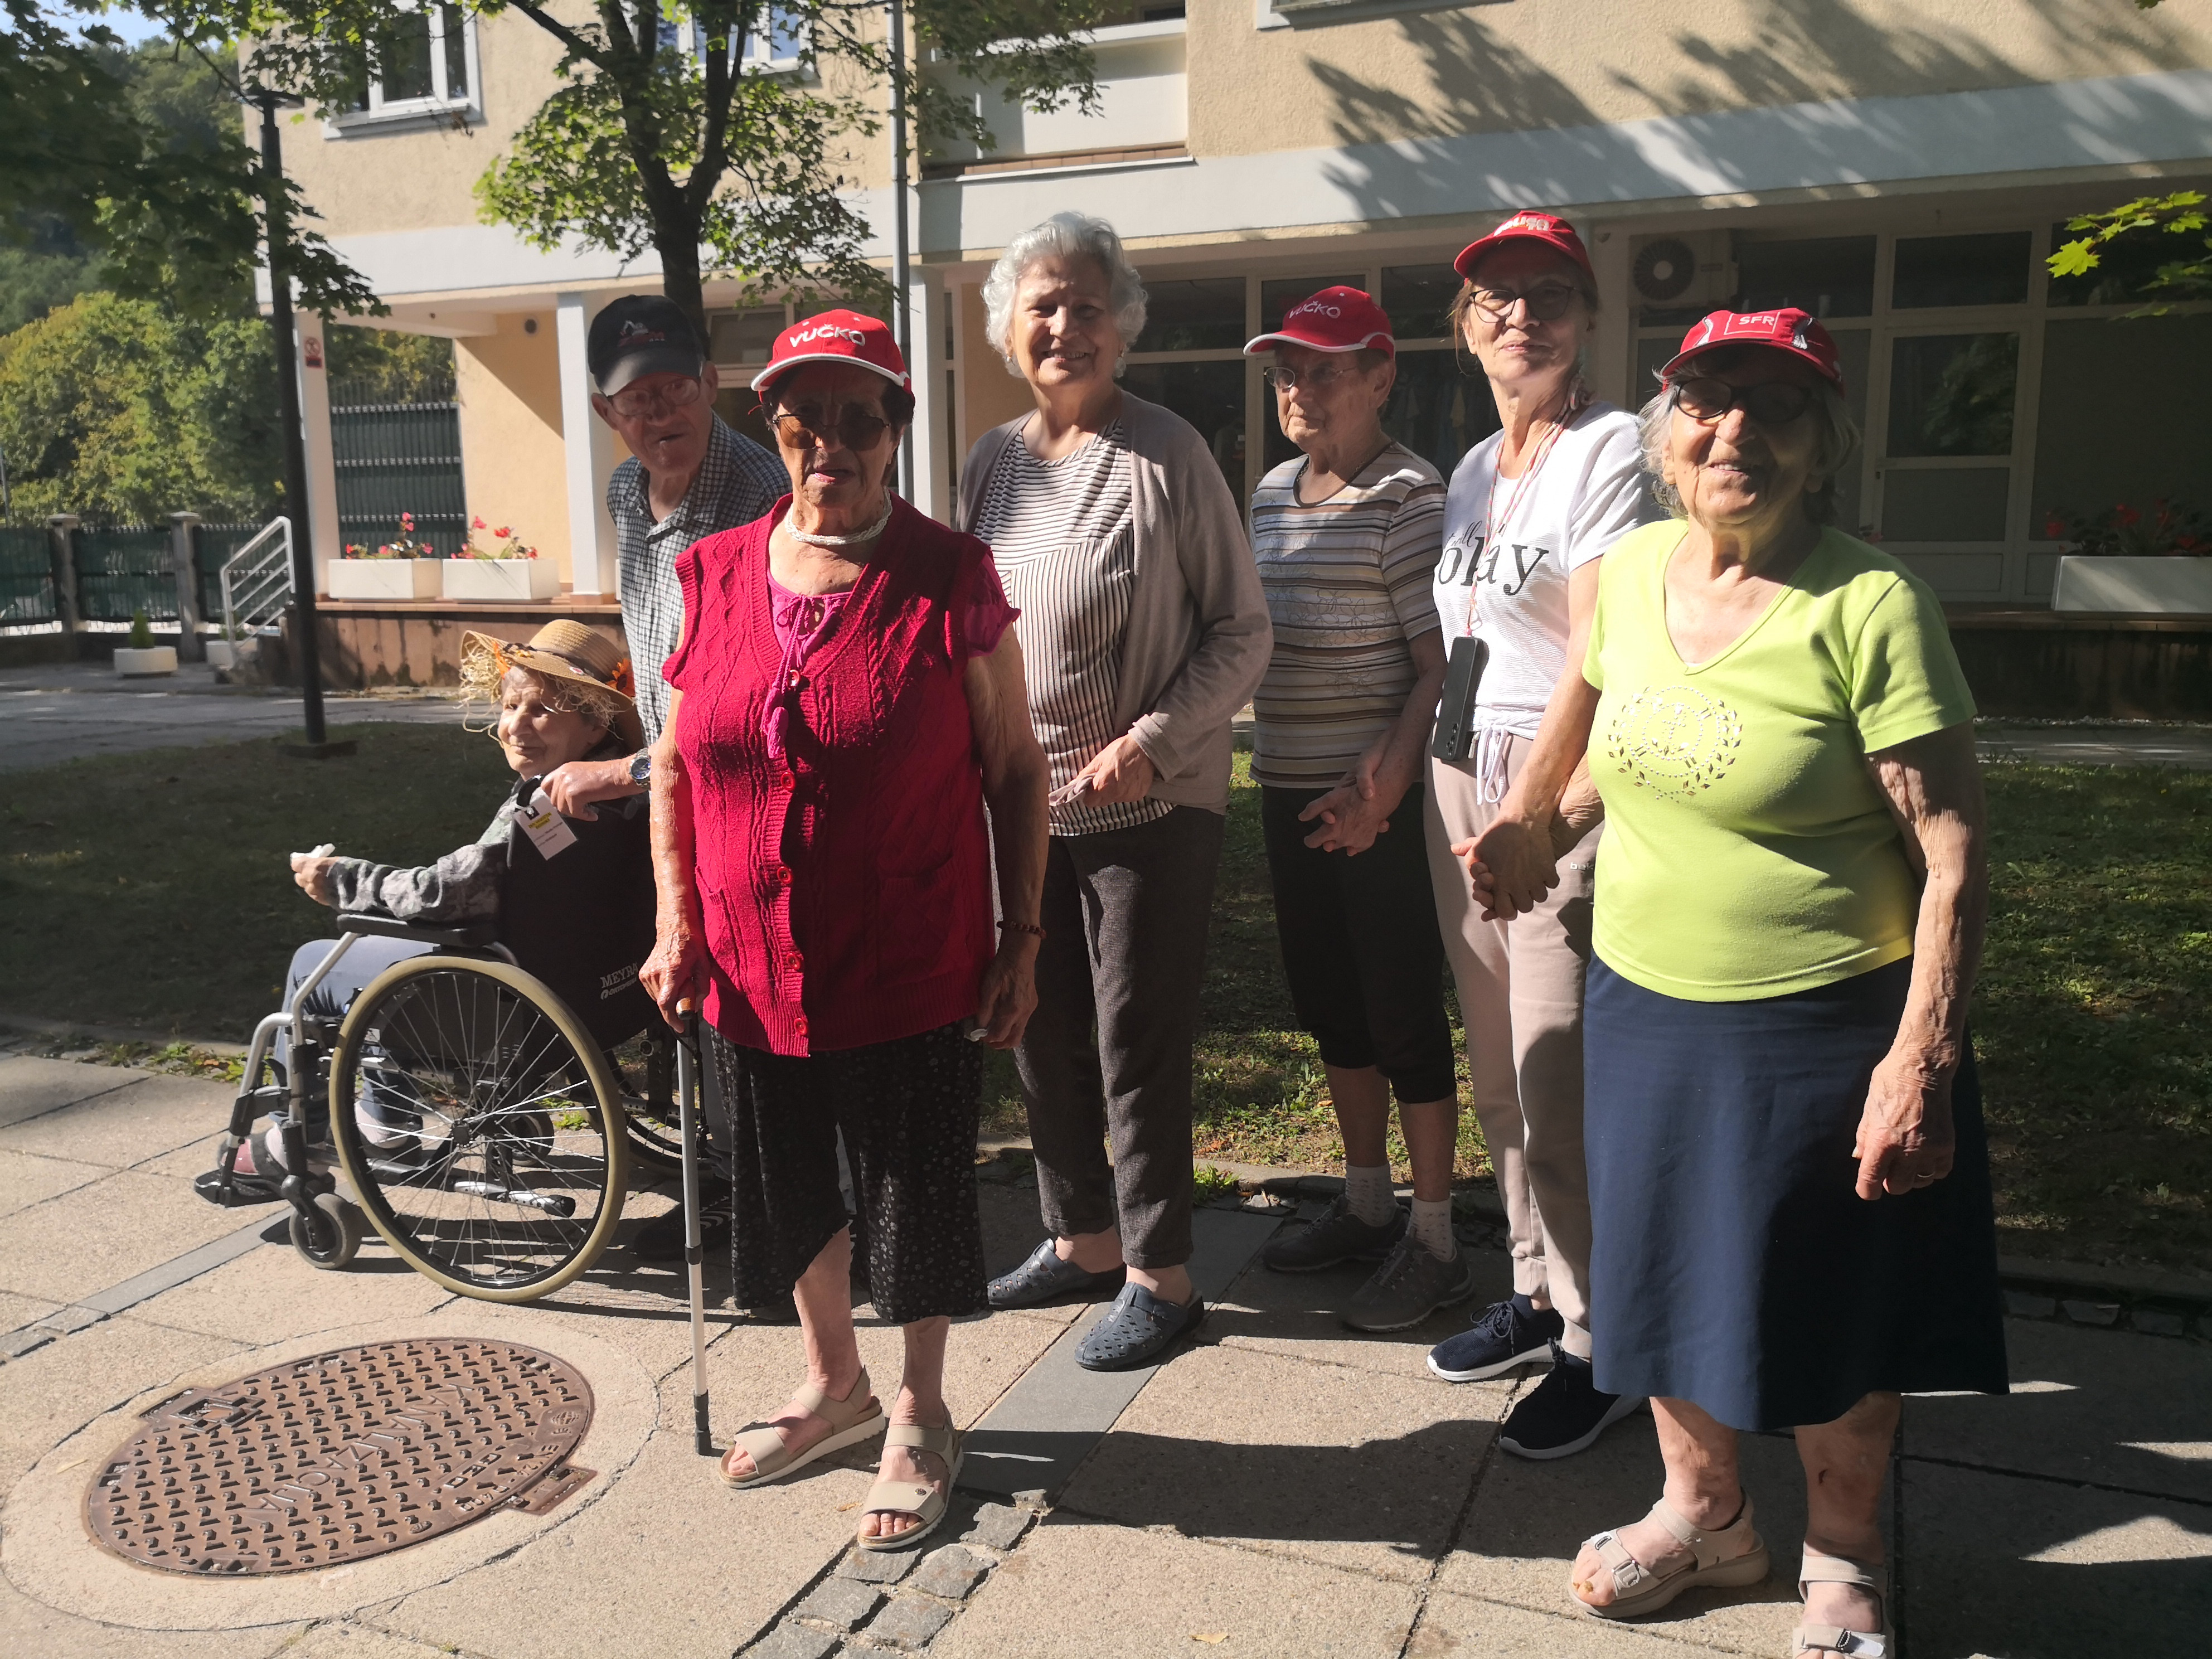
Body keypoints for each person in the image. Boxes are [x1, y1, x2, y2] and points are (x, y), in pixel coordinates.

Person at [1552, 309, 2004, 1658]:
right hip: (1642, 1005)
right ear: (1664, 433)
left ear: (1822, 445)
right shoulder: (1631, 570)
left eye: (1775, 406)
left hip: (1821, 1020)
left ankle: (1841, 1557)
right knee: (1655, 1279)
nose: (1733, 430)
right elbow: (1619, 739)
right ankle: (1704, 1518)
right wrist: (1535, 826)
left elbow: (1950, 854)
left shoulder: (1871, 606)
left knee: (1830, 1302)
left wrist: (1917, 1060)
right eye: (1704, 400)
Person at [639, 310, 1051, 1551]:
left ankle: (920, 1409)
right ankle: (834, 1385)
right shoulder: (712, 570)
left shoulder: (949, 576)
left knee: (910, 1186)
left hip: (907, 951)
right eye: (802, 418)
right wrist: (675, 918)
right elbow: (674, 766)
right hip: (745, 954)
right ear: (771, 429)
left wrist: (1022, 935)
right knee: (787, 1180)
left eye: (857, 419)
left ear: (897, 428)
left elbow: (1014, 769)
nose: (830, 442)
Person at [956, 212, 1272, 1372]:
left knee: (1133, 1033)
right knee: (1036, 1027)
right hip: (1022, 804)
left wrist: (1152, 737)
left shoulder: (1166, 453)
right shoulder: (989, 464)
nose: (1063, 326)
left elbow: (1242, 632)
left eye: (1086, 305)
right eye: (1041, 305)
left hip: (1149, 803)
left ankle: (1161, 1275)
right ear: (1008, 327)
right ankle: (1081, 1238)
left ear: (1122, 326)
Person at [1419, 211, 1665, 1459]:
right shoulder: (1473, 467)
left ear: (1587, 319)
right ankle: (1532, 1288)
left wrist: (1532, 813)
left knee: (1553, 1070)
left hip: (1548, 789)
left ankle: (1602, 1340)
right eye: (1497, 298)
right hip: (1457, 771)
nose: (1523, 315)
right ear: (1466, 328)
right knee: (1496, 1066)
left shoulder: (1610, 448)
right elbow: (1465, 636)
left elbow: (1598, 652)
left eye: (1550, 295)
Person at [1238, 287, 1466, 1332]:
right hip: (1290, 792)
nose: (1299, 388)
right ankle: (1368, 1207)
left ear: (1381, 376)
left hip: (1380, 808)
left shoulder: (1410, 497)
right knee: (1333, 1007)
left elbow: (1441, 666)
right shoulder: (1271, 493)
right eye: (1286, 371)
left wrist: (1384, 788)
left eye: (1324, 370)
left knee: (1401, 1015)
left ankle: (1435, 1239)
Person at [237, 622, 653, 1181]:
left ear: (594, 722)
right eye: (510, 706)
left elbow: (446, 893)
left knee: (315, 962)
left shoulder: (546, 805)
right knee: (390, 953)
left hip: (506, 994)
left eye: (541, 711)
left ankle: (311, 1132)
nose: (515, 726)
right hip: (601, 990)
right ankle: (388, 1113)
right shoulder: (628, 792)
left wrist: (342, 880)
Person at [553, 293, 786, 1261]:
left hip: (751, 790)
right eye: (636, 399)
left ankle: (782, 1207)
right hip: (673, 786)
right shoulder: (625, 492)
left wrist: (620, 769)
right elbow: (656, 656)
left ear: (710, 383)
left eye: (675, 389)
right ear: (607, 412)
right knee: (694, 989)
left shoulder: (763, 498)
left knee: (753, 1006)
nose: (660, 414)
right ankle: (736, 1185)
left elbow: (744, 694)